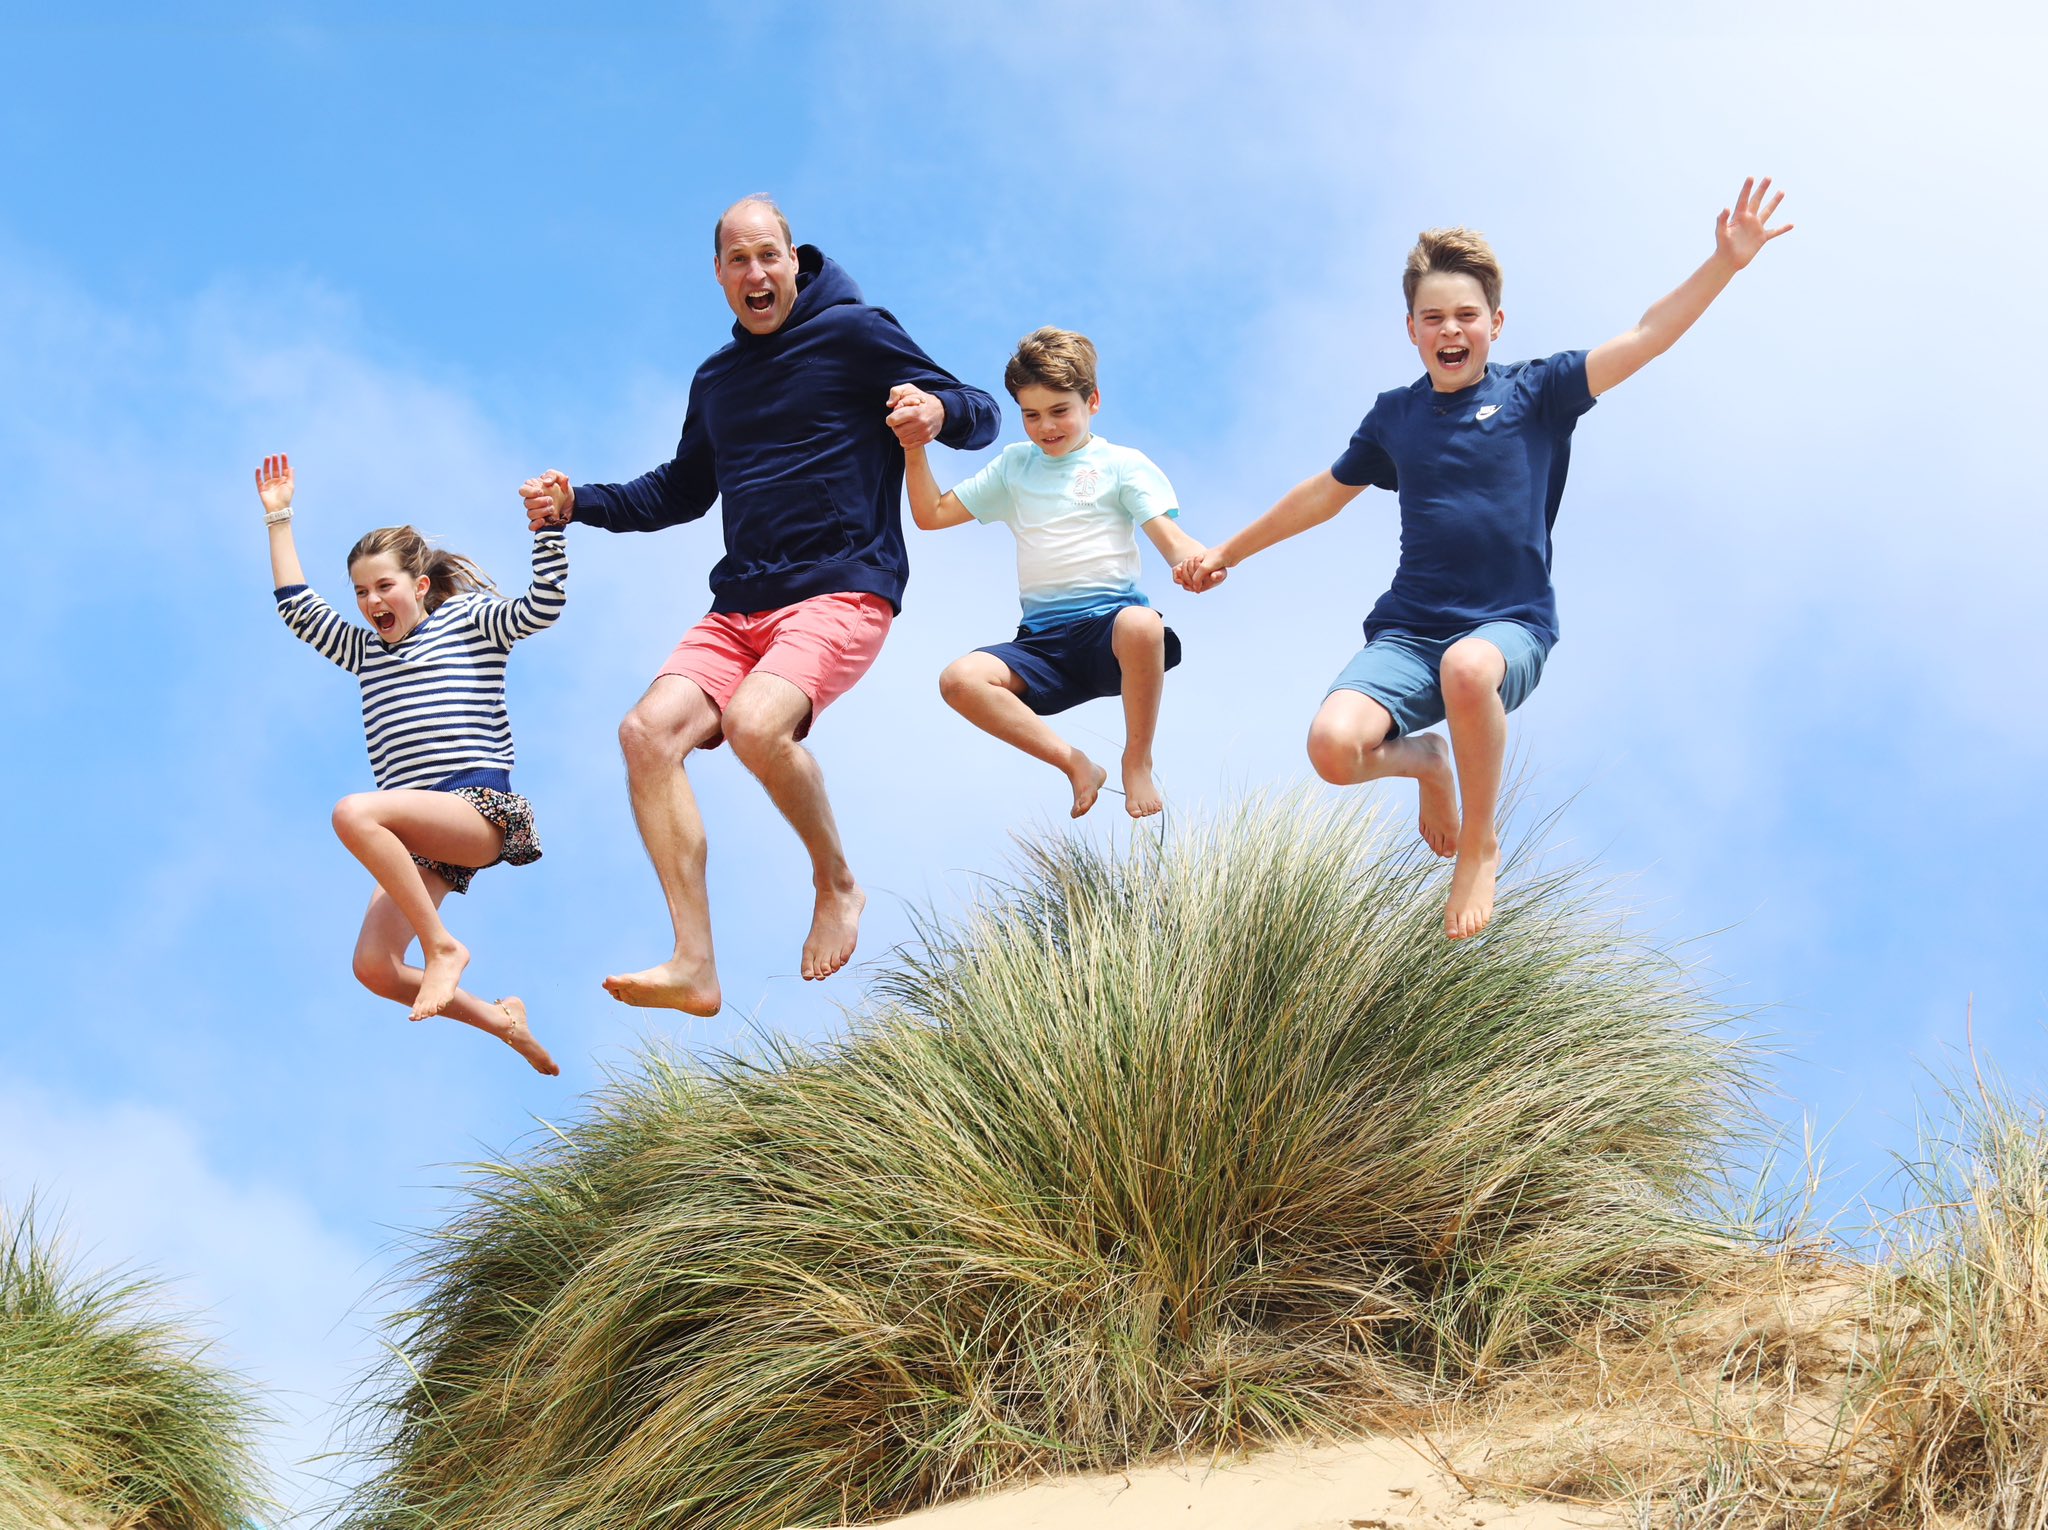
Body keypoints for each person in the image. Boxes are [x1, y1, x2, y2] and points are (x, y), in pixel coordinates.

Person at [1177, 177, 1792, 939]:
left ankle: (1480, 842)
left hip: (1509, 625)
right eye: (1433, 318)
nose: (1450, 329)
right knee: (1333, 749)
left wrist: (1724, 265)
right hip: (1408, 633)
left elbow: (1647, 334)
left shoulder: (1539, 392)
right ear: (1410, 330)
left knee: (1468, 668)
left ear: (1495, 323)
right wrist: (1227, 551)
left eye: (1466, 315)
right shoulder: (1395, 416)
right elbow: (1323, 494)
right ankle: (1429, 763)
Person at [520, 196, 999, 1013]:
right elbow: (678, 491)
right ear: (718, 275)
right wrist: (579, 504)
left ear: (793, 258)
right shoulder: (718, 380)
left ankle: (836, 882)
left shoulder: (855, 333)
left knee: (753, 723)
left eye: (767, 256)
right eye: (738, 261)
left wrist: (934, 410)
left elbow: (981, 413)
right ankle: (695, 964)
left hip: (844, 585)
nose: (755, 273)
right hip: (741, 604)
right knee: (645, 735)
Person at [258, 452, 562, 1075]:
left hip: (477, 809)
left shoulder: (466, 622)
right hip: (420, 836)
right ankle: (502, 1021)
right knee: (373, 966)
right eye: (362, 592)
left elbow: (541, 609)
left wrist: (550, 531)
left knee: (353, 813)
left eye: (385, 586)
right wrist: (279, 518)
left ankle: (442, 947)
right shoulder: (364, 650)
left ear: (419, 586)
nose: (372, 600)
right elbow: (296, 607)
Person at [904, 327, 1205, 819]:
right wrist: (913, 446)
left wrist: (1191, 563)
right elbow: (931, 515)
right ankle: (1075, 764)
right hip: (1042, 645)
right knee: (959, 680)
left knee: (1142, 622)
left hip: (1110, 635)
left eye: (1060, 411)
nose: (1046, 426)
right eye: (1031, 415)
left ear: (1093, 401)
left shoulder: (1122, 464)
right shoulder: (1014, 467)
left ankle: (1137, 758)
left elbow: (1172, 539)